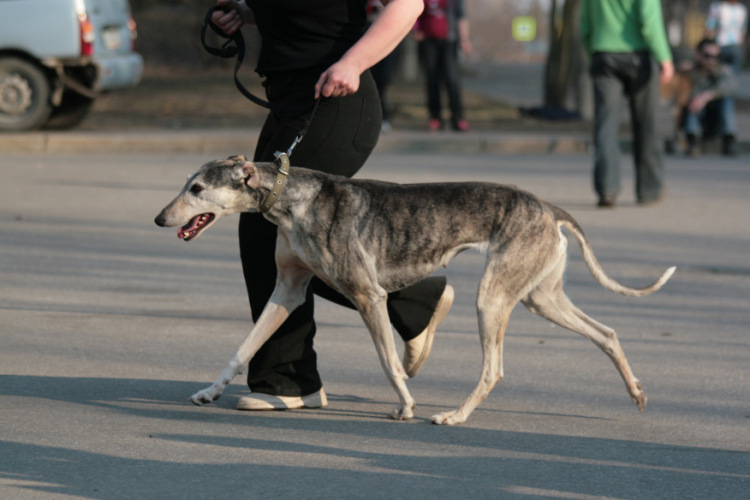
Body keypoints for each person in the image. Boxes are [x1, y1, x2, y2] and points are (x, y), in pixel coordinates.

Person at [210, 0, 454, 411]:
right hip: (289, 103)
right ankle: (412, 301)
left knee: (272, 232)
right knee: (264, 233)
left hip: (337, 100)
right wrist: (245, 13)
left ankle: (288, 380)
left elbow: (408, 4)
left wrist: (354, 63)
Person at [580, 0, 674, 208]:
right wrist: (664, 58)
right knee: (645, 124)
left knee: (605, 125)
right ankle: (649, 190)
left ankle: (607, 189)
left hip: (603, 54)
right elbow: (650, 22)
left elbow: (585, 25)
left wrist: (592, 55)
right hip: (638, 55)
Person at [412, 0, 472, 132]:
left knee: (452, 80)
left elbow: (460, 16)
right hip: (428, 42)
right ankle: (435, 117)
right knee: (432, 80)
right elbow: (414, 12)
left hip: (449, 41)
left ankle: (458, 118)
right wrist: (415, 30)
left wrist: (464, 39)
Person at [683, 39, 738, 156]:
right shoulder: (690, 70)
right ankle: (692, 141)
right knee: (694, 100)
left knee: (726, 99)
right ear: (697, 54)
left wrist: (707, 96)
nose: (711, 60)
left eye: (715, 56)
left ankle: (729, 140)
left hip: (716, 119)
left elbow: (731, 86)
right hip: (698, 117)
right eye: (707, 56)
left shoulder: (722, 69)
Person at [705, 0, 748, 74]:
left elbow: (710, 27)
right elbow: (743, 31)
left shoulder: (718, 6)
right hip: (730, 45)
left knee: (722, 73)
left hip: (725, 45)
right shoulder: (741, 9)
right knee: (729, 74)